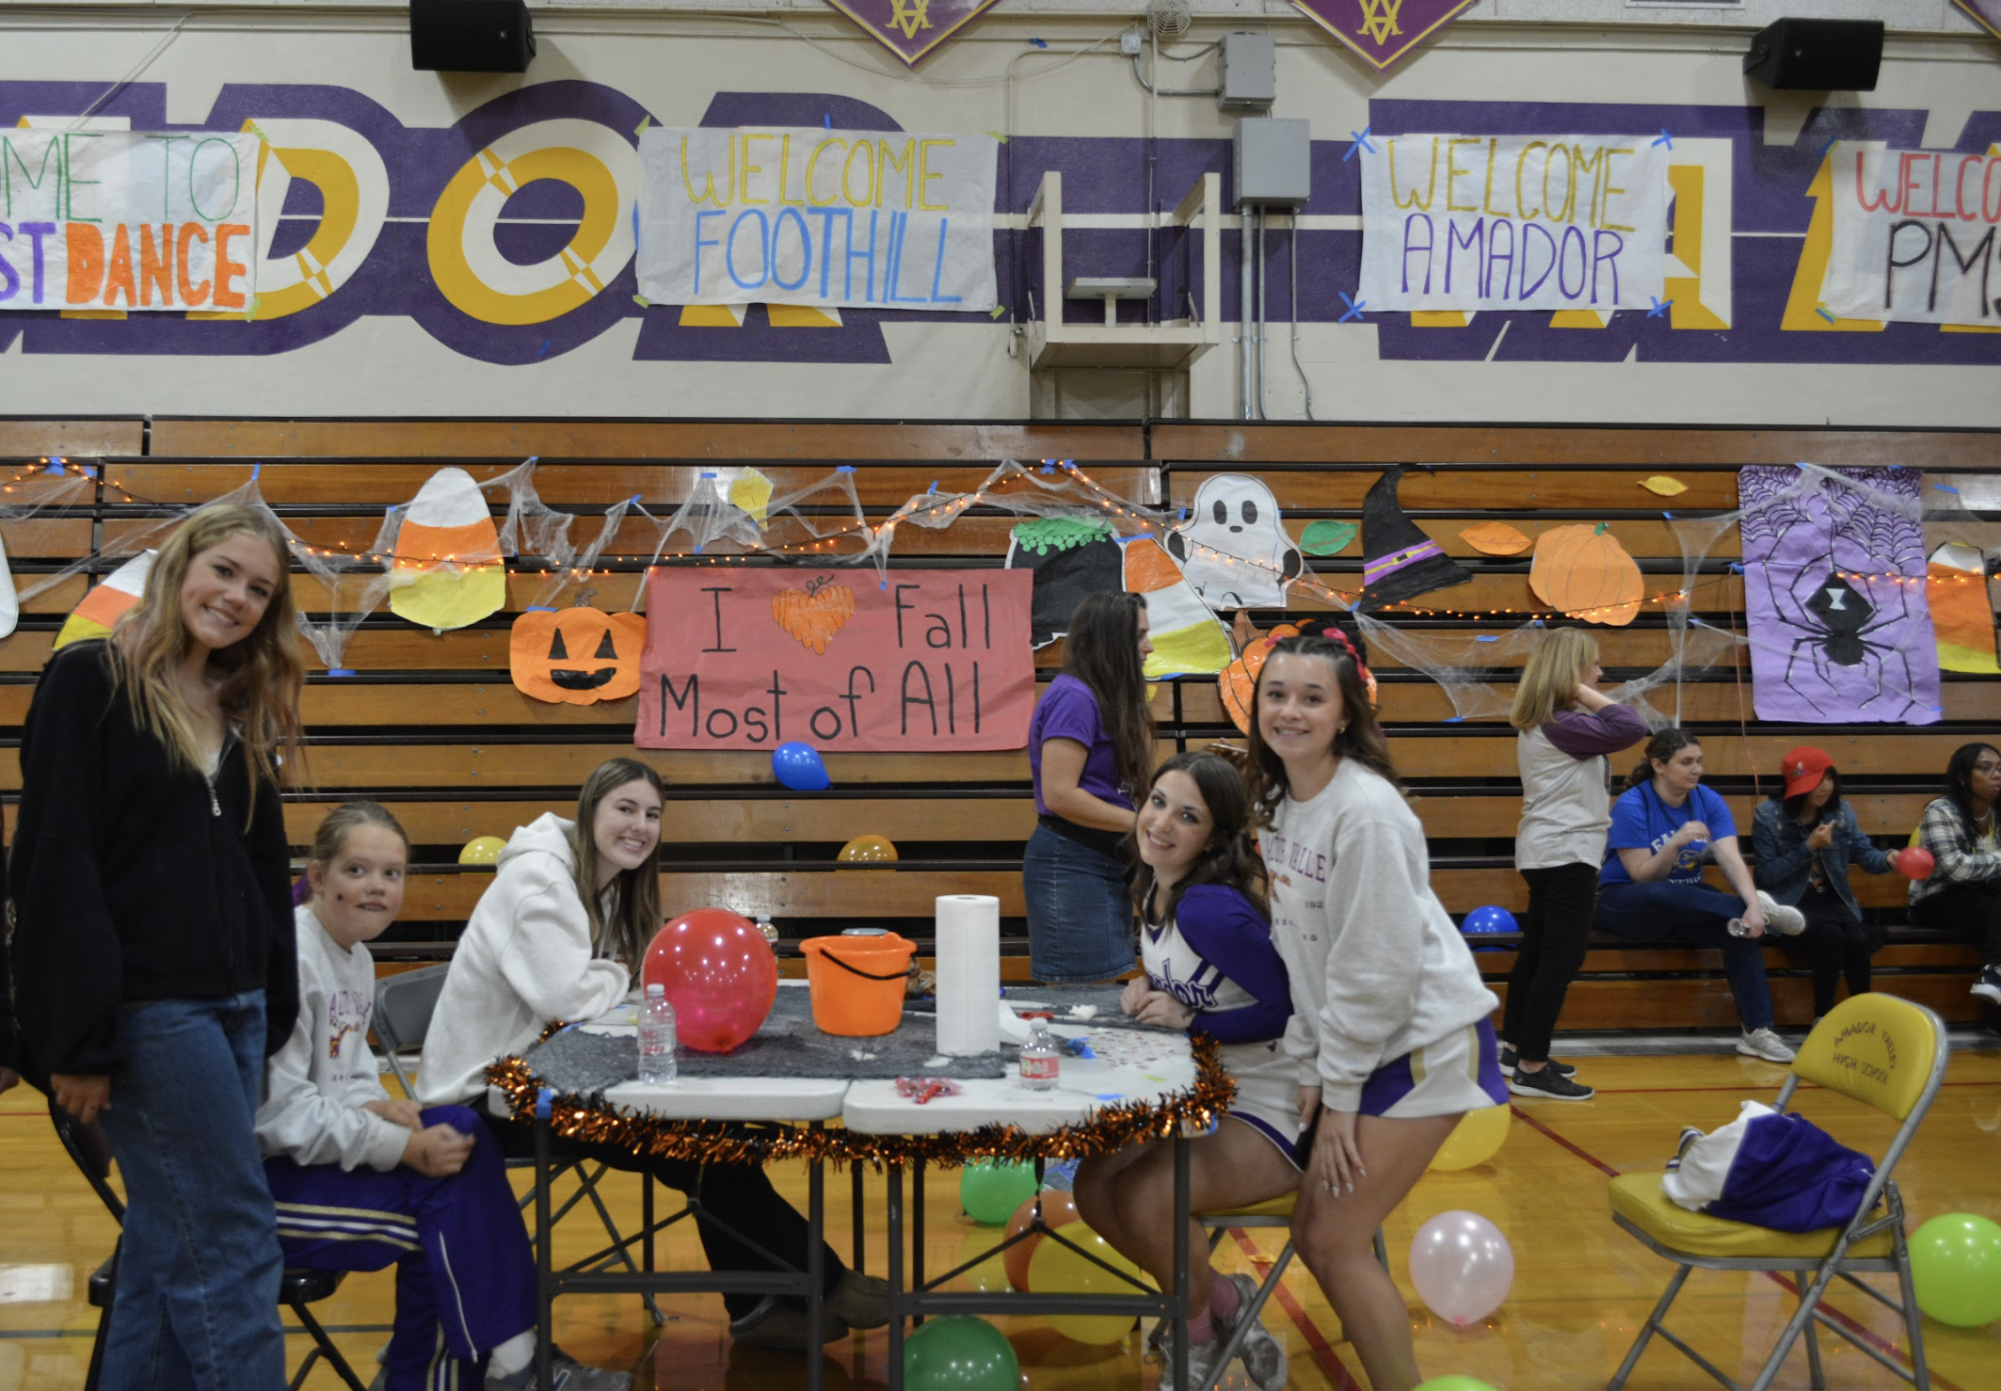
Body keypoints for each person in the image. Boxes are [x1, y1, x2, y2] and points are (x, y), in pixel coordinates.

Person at [415, 757, 890, 1351]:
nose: (640, 825)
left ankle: (775, 1301)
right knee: (698, 1141)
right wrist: (615, 973)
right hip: (486, 1103)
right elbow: (568, 997)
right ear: (591, 810)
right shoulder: (538, 880)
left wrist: (609, 976)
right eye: (625, 809)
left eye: (653, 814)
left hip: (543, 1075)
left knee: (707, 1138)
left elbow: (599, 988)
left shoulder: (599, 883)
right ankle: (818, 1286)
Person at [8, 504, 303, 1390]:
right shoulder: (87, 681)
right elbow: (54, 865)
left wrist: (273, 1001)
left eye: (259, 589)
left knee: (163, 1246)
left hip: (236, 1009)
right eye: (225, 572)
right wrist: (79, 1040)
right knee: (235, 1240)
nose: (238, 598)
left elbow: (262, 871)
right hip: (148, 1013)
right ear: (180, 566)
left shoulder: (237, 702)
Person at [258, 803, 629, 1391]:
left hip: (311, 1160)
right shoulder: (292, 958)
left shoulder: (351, 953)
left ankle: (465, 1371)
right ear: (319, 875)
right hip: (260, 1193)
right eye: (357, 871)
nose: (377, 888)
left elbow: (347, 1075)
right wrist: (393, 1145)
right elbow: (276, 1117)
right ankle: (510, 1367)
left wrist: (378, 1106)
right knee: (445, 1211)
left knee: (462, 1128)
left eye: (392, 873)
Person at [1245, 633, 1506, 1391]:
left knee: (1329, 1238)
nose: (1289, 710)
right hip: (1365, 1041)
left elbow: (1376, 970)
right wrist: (1307, 1057)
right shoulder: (1279, 800)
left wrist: (1340, 1094)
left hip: (1421, 1044)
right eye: (1276, 693)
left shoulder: (1365, 813)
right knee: (1318, 1233)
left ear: (1344, 714)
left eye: (1310, 697)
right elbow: (1303, 946)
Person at [1072, 752, 1297, 1391]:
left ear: (1214, 838)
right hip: (1204, 1094)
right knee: (1093, 1185)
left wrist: (1191, 1021)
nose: (1162, 823)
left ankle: (1194, 1335)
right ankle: (1224, 1297)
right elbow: (1198, 981)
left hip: (1273, 1105)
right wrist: (1147, 985)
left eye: (1188, 815)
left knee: (1146, 1197)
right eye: (1158, 802)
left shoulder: (1209, 909)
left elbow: (1288, 1010)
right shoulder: (1153, 887)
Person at [1595, 729, 1807, 1063]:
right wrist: (1675, 842)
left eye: (1699, 761)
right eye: (1687, 762)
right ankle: (1755, 909)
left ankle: (1756, 1032)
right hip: (1626, 902)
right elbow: (1641, 876)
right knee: (1663, 891)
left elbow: (1731, 859)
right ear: (1659, 765)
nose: (1697, 769)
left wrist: (1751, 905)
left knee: (1737, 924)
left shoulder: (1707, 799)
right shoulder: (1633, 803)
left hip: (1685, 902)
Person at [1505, 628, 1648, 1102]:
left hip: (1549, 849)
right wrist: (1582, 690)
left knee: (1539, 954)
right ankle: (1532, 1065)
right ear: (1571, 675)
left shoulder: (1550, 722)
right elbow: (1630, 727)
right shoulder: (1562, 722)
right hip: (1565, 851)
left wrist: (1574, 689)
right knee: (1560, 959)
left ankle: (1518, 1049)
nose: (1601, 674)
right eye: (1593, 666)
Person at [1023, 590, 1155, 983]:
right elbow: (1060, 794)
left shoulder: (1105, 695)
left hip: (1101, 858)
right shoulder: (1074, 697)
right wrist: (1146, 822)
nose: (1149, 647)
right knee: (1083, 1000)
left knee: (1099, 993)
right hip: (1073, 861)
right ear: (1112, 641)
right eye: (1139, 637)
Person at [1753, 747, 1908, 1022]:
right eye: (1813, 782)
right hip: (1790, 905)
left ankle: (1864, 1018)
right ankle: (1822, 1017)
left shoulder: (1842, 812)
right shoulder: (1767, 816)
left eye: (1827, 778)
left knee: (1857, 940)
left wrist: (1889, 859)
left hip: (1834, 903)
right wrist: (1808, 847)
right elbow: (1767, 876)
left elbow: (1864, 854)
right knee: (1830, 934)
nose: (1823, 788)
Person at [1908, 742, 2001, 1006]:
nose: (1996, 774)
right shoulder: (1940, 810)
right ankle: (1993, 971)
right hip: (1936, 897)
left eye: (1999, 768)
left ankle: (1993, 977)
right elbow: (1955, 868)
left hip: (1985, 895)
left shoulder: (1997, 811)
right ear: (1962, 777)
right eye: (1985, 768)